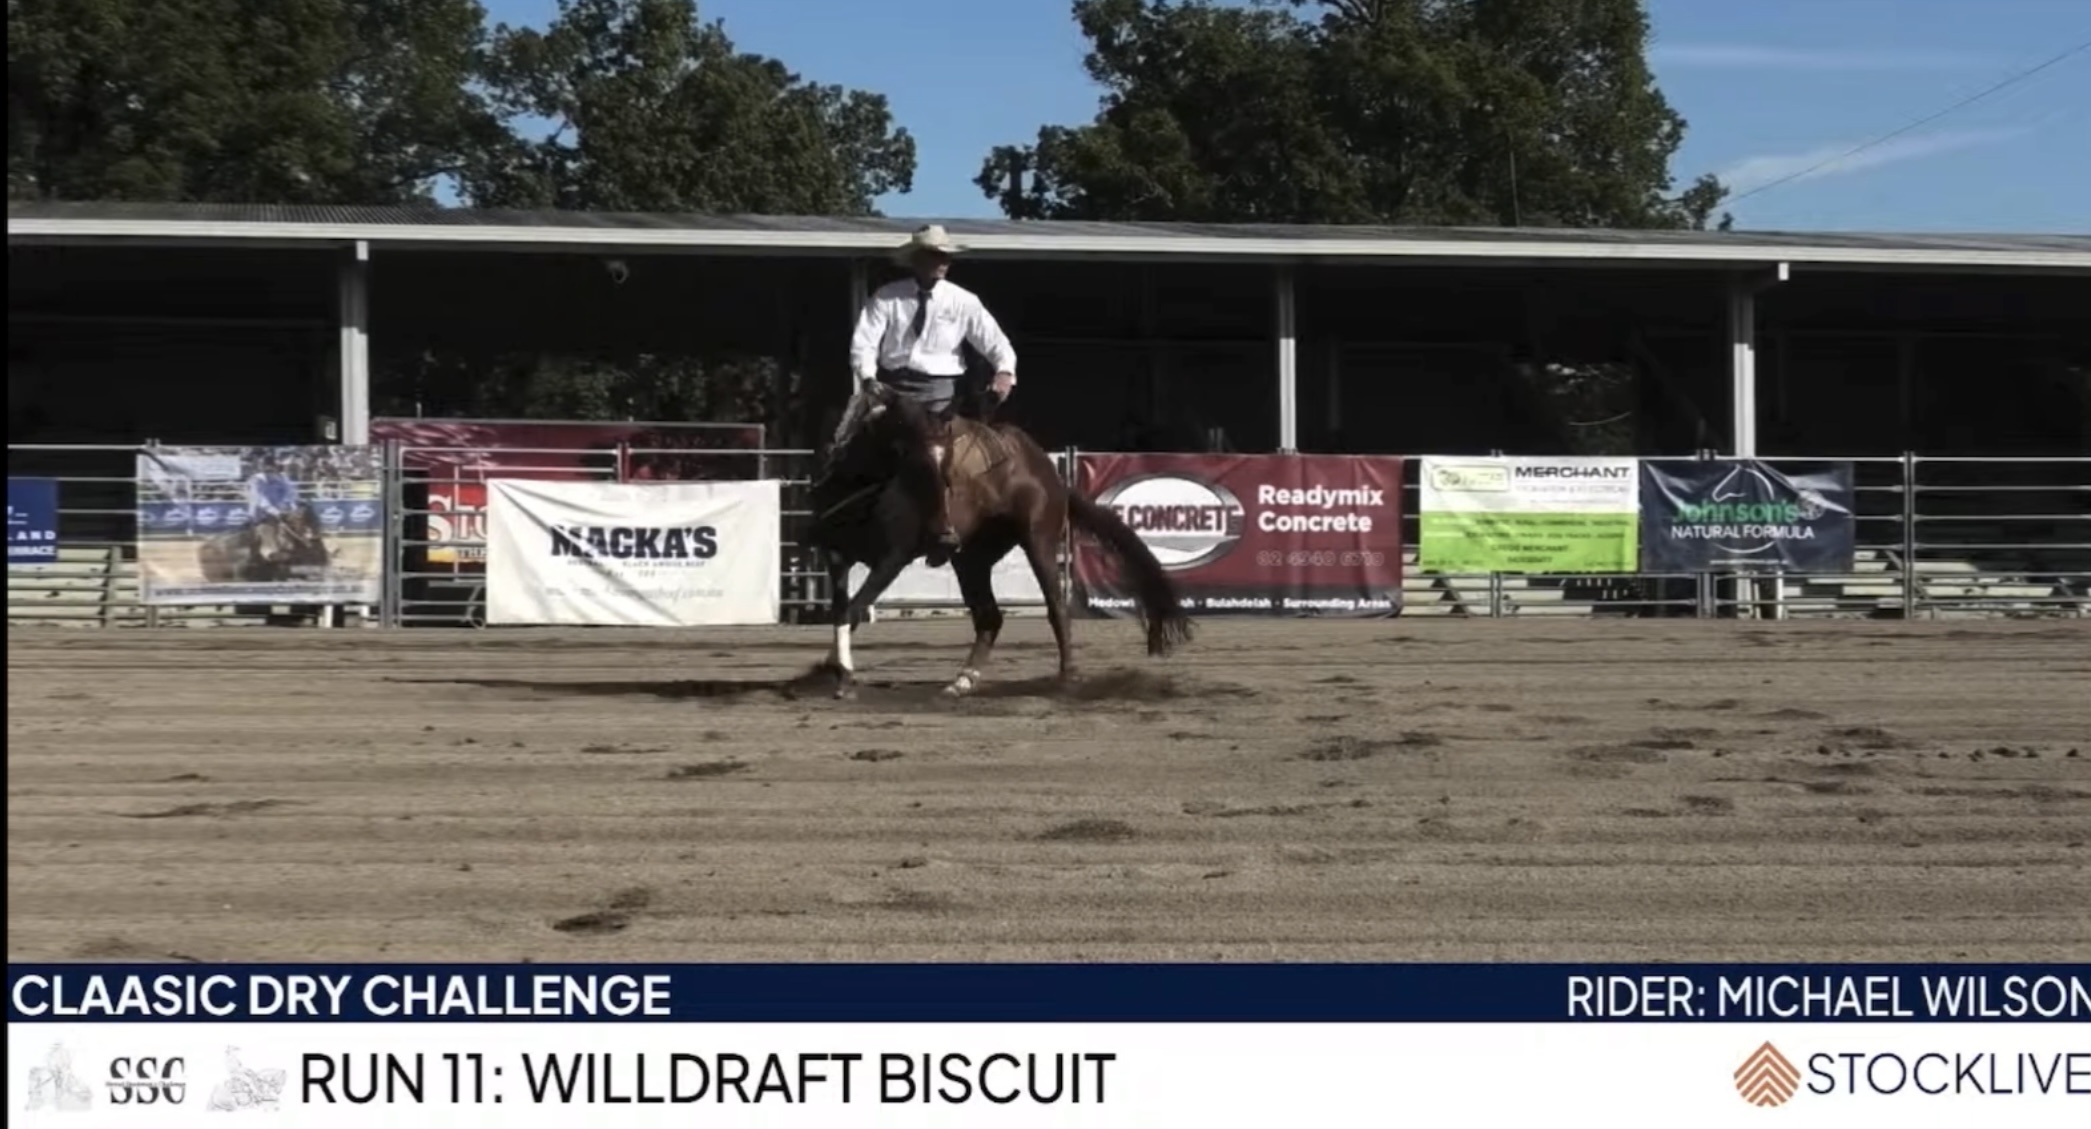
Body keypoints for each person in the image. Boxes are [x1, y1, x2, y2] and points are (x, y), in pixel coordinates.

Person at [848, 224, 1018, 567]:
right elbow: (864, 341)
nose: (943, 262)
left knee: (943, 457)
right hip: (891, 387)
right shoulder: (887, 297)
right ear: (917, 259)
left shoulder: (963, 301)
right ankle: (844, 517)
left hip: (941, 391)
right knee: (852, 444)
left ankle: (944, 527)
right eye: (936, 255)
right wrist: (867, 376)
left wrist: (1004, 371)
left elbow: (995, 341)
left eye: (946, 256)